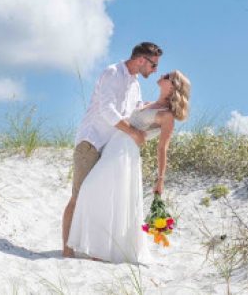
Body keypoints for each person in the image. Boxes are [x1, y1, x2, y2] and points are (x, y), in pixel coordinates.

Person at [66, 70, 191, 264]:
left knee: (93, 189)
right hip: (112, 147)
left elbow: (162, 149)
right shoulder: (149, 103)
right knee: (99, 193)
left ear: (173, 85)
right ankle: (100, 248)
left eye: (167, 76)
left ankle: (101, 250)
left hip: (124, 154)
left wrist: (160, 180)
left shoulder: (167, 115)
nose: (162, 75)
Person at [61, 42, 163, 259]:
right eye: (153, 65)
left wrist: (161, 106)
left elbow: (135, 110)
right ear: (141, 60)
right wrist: (133, 134)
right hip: (92, 142)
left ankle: (94, 250)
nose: (155, 70)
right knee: (78, 197)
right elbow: (107, 110)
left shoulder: (135, 84)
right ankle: (67, 251)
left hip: (112, 147)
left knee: (101, 198)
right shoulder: (112, 73)